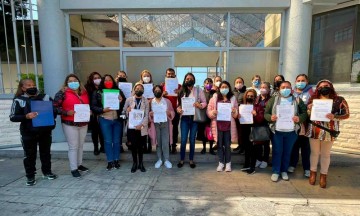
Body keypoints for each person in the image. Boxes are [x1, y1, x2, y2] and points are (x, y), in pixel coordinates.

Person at [9, 79, 58, 186]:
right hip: (28, 132)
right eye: (28, 85)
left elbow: (55, 110)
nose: (32, 87)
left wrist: (52, 113)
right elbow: (13, 117)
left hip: (45, 131)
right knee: (29, 155)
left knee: (45, 153)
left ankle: (47, 172)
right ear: (22, 88)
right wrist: (26, 116)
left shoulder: (45, 97)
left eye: (33, 85)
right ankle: (30, 176)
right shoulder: (18, 100)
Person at [306, 79, 349, 188]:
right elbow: (308, 114)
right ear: (318, 88)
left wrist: (334, 117)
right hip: (315, 129)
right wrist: (309, 109)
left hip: (330, 130)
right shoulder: (313, 99)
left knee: (325, 154)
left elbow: (346, 114)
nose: (324, 87)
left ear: (331, 86)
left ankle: (323, 175)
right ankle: (313, 173)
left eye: (326, 85)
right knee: (314, 152)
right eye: (321, 86)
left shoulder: (339, 100)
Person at [264, 81, 307, 182]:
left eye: (287, 87)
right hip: (277, 131)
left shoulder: (297, 99)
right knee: (277, 151)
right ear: (279, 89)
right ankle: (276, 171)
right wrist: (271, 117)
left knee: (287, 152)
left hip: (291, 131)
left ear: (291, 89)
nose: (285, 89)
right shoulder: (273, 100)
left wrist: (299, 118)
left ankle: (284, 171)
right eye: (283, 87)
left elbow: (304, 113)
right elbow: (266, 113)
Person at [54, 74, 90, 178]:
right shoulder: (62, 93)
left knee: (81, 145)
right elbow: (54, 108)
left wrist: (89, 111)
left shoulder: (83, 92)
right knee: (73, 146)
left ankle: (79, 164)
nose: (73, 82)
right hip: (70, 123)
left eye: (75, 80)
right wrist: (66, 112)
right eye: (70, 81)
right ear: (66, 83)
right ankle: (73, 168)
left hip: (83, 123)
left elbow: (86, 105)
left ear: (79, 82)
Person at [90, 74, 126, 170]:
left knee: (117, 141)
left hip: (117, 119)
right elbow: (93, 107)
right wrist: (102, 109)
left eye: (110, 80)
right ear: (103, 81)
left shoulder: (118, 91)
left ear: (113, 82)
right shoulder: (97, 92)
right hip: (104, 119)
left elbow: (125, 106)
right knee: (108, 141)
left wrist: (122, 101)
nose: (108, 82)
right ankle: (110, 161)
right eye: (106, 80)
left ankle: (116, 160)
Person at [176, 73, 207, 169]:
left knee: (192, 140)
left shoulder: (199, 90)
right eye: (187, 78)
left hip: (194, 118)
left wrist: (200, 105)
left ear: (194, 80)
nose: (189, 80)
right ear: (185, 80)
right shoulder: (181, 91)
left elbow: (205, 102)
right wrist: (179, 110)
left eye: (191, 78)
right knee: (184, 140)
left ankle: (191, 160)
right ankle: (181, 159)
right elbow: (178, 105)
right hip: (185, 118)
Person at [207, 81, 238, 172]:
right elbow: (209, 110)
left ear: (229, 88)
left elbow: (236, 112)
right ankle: (221, 163)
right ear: (219, 88)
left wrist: (234, 112)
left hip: (229, 126)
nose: (224, 89)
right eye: (222, 87)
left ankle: (228, 163)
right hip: (218, 126)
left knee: (227, 145)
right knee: (220, 145)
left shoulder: (232, 98)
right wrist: (213, 113)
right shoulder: (214, 98)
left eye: (226, 87)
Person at [288, 74, 313, 177]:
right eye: (298, 80)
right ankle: (292, 164)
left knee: (305, 147)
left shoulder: (312, 93)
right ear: (295, 81)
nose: (300, 82)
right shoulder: (291, 93)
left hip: (306, 124)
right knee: (294, 145)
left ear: (307, 81)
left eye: (303, 80)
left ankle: (307, 168)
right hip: (293, 124)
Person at [124, 83, 150, 173]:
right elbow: (124, 112)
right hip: (131, 127)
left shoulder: (146, 101)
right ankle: (135, 163)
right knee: (134, 146)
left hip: (142, 127)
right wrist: (127, 111)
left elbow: (147, 115)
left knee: (141, 146)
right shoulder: (129, 100)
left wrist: (142, 125)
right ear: (134, 90)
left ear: (143, 91)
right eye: (137, 88)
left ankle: (141, 164)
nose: (139, 89)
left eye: (141, 88)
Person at [148, 85, 175, 169]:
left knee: (165, 142)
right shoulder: (150, 102)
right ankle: (159, 159)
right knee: (158, 142)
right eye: (155, 90)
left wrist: (169, 113)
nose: (157, 91)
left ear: (162, 91)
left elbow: (172, 112)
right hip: (155, 124)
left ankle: (166, 159)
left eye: (159, 90)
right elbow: (148, 114)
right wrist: (150, 115)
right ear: (153, 92)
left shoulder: (167, 101)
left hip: (165, 123)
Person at [162, 68, 181, 154]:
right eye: (169, 74)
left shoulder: (179, 86)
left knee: (175, 129)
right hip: (165, 111)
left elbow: (184, 97)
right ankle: (167, 146)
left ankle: (173, 146)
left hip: (176, 110)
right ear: (166, 75)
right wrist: (163, 94)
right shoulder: (162, 86)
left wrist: (179, 92)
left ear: (175, 75)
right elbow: (157, 97)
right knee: (166, 129)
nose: (170, 75)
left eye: (172, 74)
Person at [84, 72, 104, 155]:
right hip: (92, 112)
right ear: (91, 80)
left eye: (98, 77)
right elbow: (85, 100)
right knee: (95, 131)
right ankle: (96, 147)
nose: (97, 79)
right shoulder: (87, 89)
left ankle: (103, 146)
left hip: (103, 110)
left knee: (102, 130)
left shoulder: (103, 87)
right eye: (95, 78)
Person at [253, 82, 272, 169]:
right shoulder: (257, 98)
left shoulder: (271, 99)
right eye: (261, 87)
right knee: (258, 143)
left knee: (266, 143)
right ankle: (259, 159)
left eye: (265, 87)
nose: (262, 89)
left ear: (268, 89)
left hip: (266, 123)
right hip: (257, 123)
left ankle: (265, 160)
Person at [239, 89, 257, 174]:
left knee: (253, 148)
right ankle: (246, 164)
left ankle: (252, 166)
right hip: (244, 128)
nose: (249, 97)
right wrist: (238, 116)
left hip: (253, 129)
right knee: (246, 147)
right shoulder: (241, 106)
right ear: (245, 96)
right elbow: (238, 118)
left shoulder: (257, 106)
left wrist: (255, 115)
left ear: (255, 97)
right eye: (248, 96)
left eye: (252, 96)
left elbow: (261, 119)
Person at [198, 78, 216, 155]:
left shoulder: (215, 93)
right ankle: (204, 148)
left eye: (210, 82)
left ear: (212, 84)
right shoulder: (201, 93)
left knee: (211, 132)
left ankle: (211, 148)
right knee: (204, 133)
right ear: (204, 84)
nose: (208, 84)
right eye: (206, 83)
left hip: (212, 116)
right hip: (203, 115)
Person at [138, 69, 153, 153]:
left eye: (148, 76)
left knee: (150, 127)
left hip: (151, 109)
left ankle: (150, 146)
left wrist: (152, 99)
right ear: (141, 77)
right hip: (141, 110)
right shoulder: (138, 86)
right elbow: (134, 96)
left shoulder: (153, 86)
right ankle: (144, 146)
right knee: (143, 127)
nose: (146, 77)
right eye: (144, 76)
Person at [232, 76, 247, 154]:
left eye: (240, 82)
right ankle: (239, 145)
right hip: (235, 115)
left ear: (243, 83)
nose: (238, 84)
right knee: (237, 131)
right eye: (237, 82)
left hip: (243, 115)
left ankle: (243, 147)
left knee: (242, 132)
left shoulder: (246, 92)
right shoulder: (232, 93)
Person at [115, 70, 129, 152]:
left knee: (124, 127)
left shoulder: (129, 86)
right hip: (116, 110)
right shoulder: (114, 86)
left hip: (125, 110)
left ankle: (125, 143)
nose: (122, 77)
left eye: (124, 76)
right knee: (118, 127)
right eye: (120, 76)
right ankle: (119, 144)